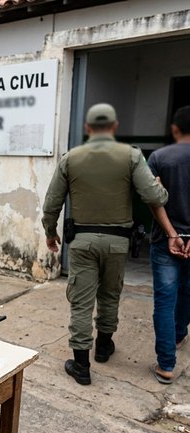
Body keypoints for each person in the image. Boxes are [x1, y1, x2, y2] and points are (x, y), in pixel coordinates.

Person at [42, 103, 168, 386]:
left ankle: (81, 365)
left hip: (82, 242)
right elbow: (154, 196)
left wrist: (51, 233)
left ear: (88, 128)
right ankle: (103, 347)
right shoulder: (132, 155)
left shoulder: (71, 158)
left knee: (81, 302)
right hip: (117, 243)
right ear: (114, 127)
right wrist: (161, 187)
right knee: (110, 296)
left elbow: (51, 204)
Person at [147, 105, 190, 384]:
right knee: (187, 293)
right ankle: (177, 336)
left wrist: (172, 233)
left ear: (175, 129)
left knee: (165, 300)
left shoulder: (159, 157)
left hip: (166, 240)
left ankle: (166, 365)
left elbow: (153, 199)